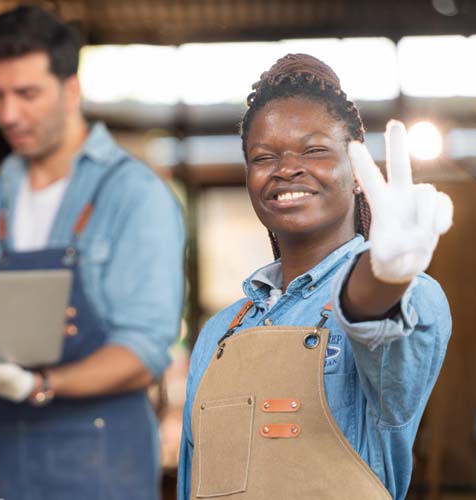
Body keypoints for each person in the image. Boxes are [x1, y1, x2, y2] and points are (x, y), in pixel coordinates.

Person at [0, 5, 185, 500]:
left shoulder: (134, 196)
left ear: (71, 90)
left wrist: (37, 385)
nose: (8, 114)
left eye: (27, 94)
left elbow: (145, 352)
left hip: (103, 461)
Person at [177, 54, 453, 500]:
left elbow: (371, 316)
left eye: (315, 150)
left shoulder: (410, 294)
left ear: (359, 173)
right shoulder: (218, 335)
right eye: (263, 156)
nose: (286, 168)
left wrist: (384, 275)